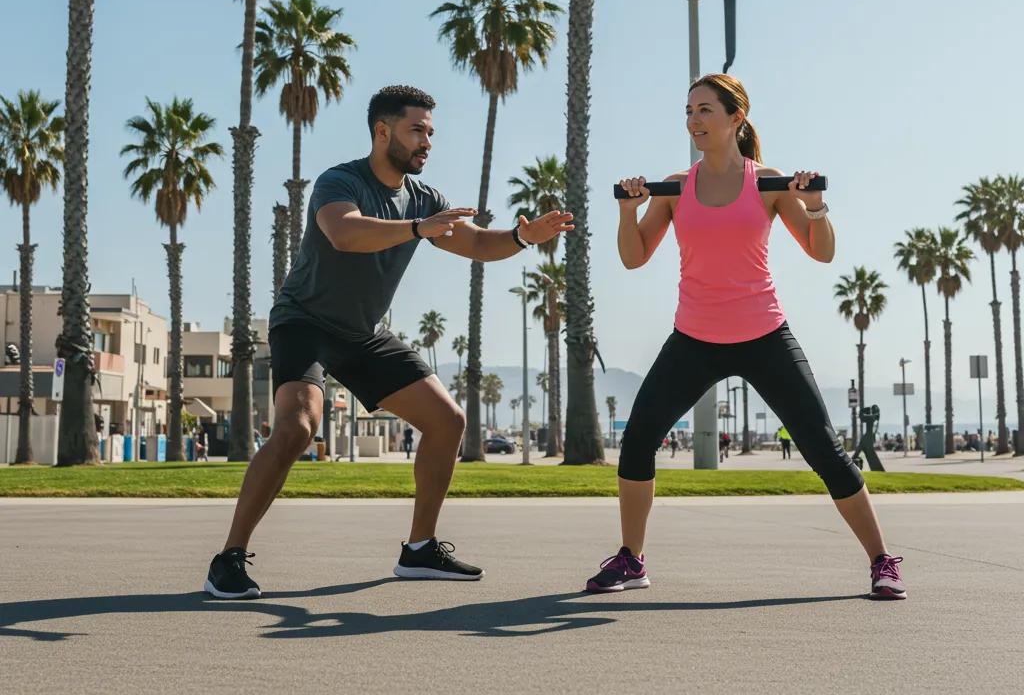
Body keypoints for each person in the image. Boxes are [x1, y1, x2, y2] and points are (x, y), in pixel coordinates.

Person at [204, 85, 572, 599]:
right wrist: (419, 228)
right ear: (383, 132)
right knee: (297, 427)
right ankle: (229, 559)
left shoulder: (425, 199)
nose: (427, 142)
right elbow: (344, 233)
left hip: (363, 333)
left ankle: (419, 549)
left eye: (431, 133)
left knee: (448, 421)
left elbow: (477, 244)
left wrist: (519, 239)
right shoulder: (341, 181)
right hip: (305, 321)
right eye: (416, 130)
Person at [585, 74, 906, 601]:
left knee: (824, 449)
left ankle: (881, 561)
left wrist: (817, 204)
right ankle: (631, 559)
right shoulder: (676, 187)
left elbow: (820, 251)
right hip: (693, 337)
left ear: (736, 117)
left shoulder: (768, 183)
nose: (694, 120)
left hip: (764, 334)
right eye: (688, 110)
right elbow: (633, 256)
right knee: (638, 441)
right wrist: (628, 211)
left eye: (705, 109)